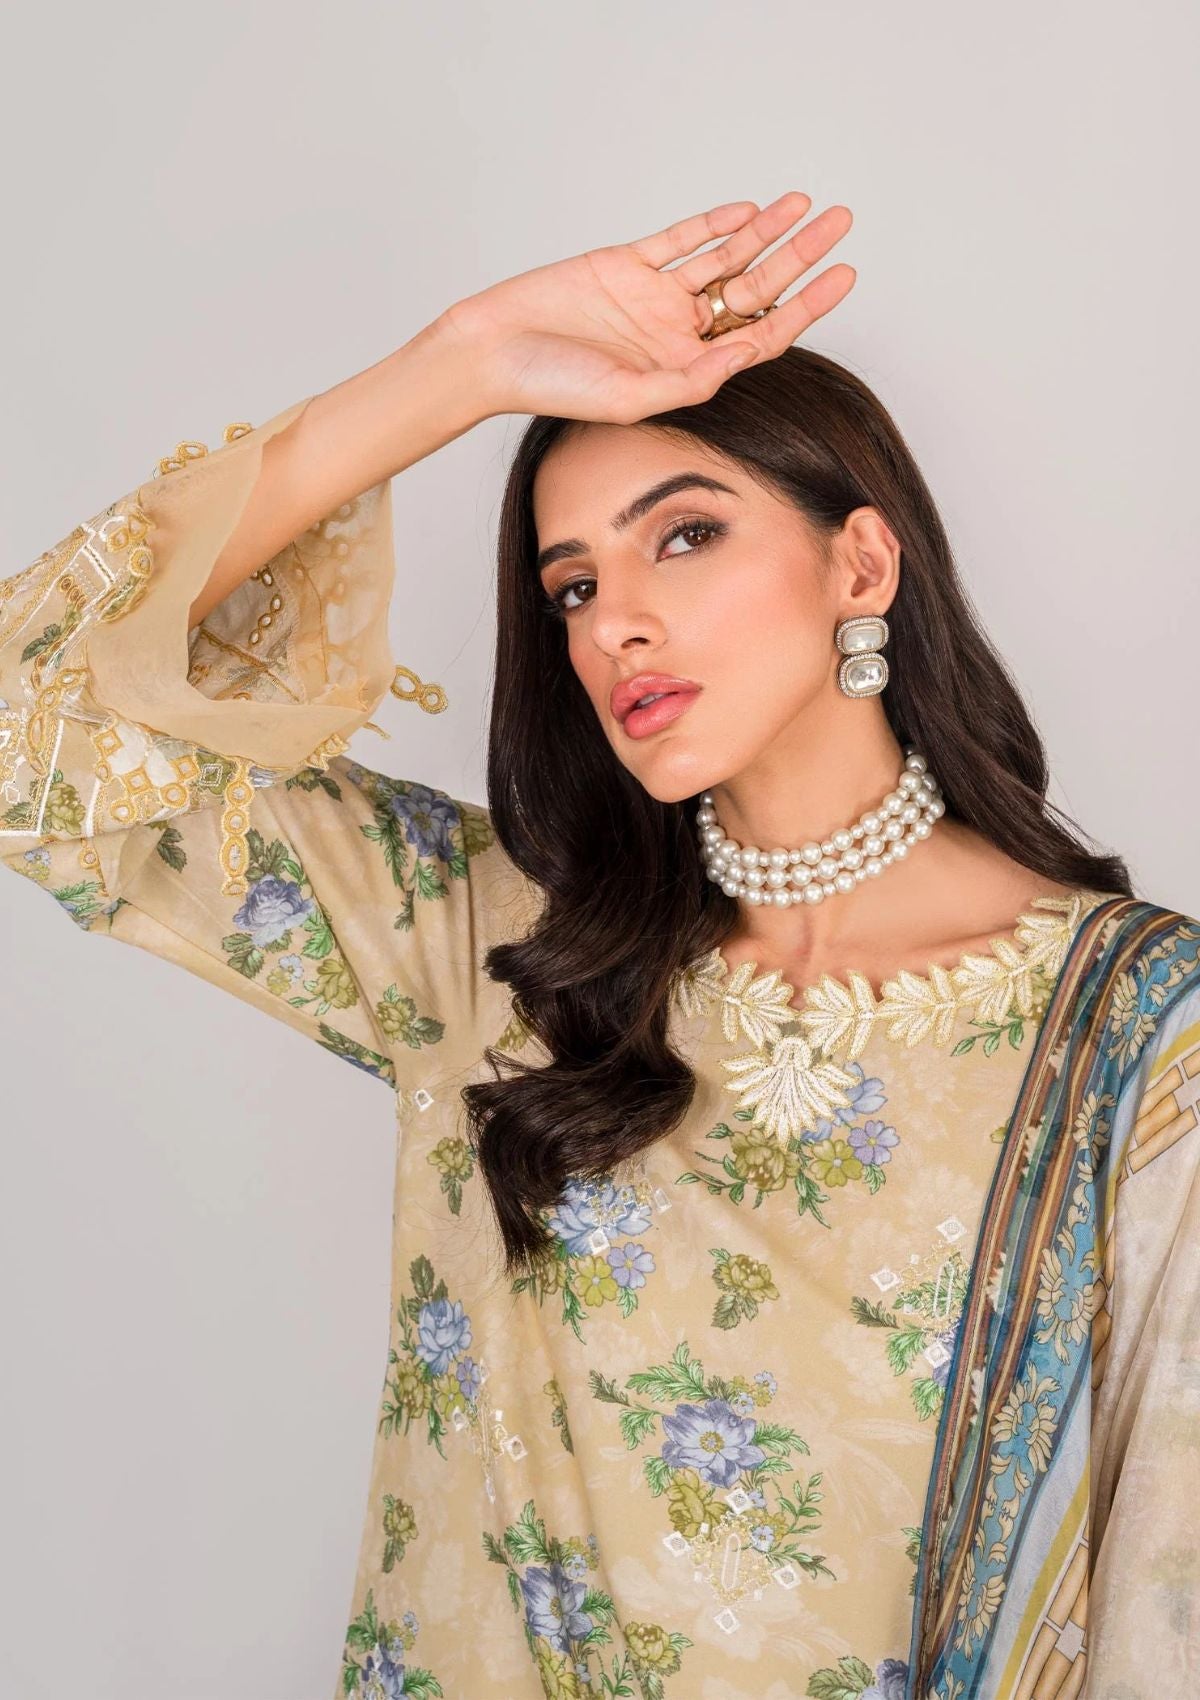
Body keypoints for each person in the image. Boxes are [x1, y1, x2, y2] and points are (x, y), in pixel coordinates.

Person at [2, 191, 1196, 1700]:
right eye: (571, 585)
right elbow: (30, 724)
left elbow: (1169, 1585)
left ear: (860, 566)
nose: (613, 623)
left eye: (683, 536)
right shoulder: (492, 948)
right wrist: (461, 364)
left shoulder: (1133, 1033)